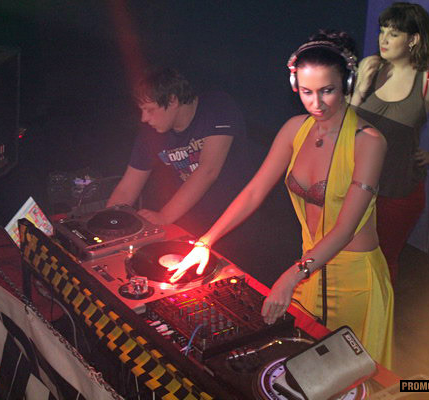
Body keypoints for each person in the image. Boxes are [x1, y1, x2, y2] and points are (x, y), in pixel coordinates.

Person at [169, 31, 394, 367]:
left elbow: (345, 229)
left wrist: (292, 275)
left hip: (353, 280)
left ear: (346, 84)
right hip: (308, 271)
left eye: (327, 91)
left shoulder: (369, 142)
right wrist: (205, 241)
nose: (316, 104)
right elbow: (254, 192)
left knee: (347, 377)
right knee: (299, 368)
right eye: (306, 92)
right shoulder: (294, 129)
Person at [107, 67, 281, 280]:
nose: (144, 118)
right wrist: (107, 228)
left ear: (172, 100)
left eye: (150, 110)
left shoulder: (217, 106)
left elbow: (208, 170)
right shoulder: (150, 134)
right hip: (191, 226)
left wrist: (164, 216)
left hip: (238, 224)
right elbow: (127, 187)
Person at [350, 2, 429, 286]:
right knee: (347, 257)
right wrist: (360, 89)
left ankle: (377, 314)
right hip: (355, 185)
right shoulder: (371, 68)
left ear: (413, 39)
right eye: (382, 30)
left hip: (397, 191)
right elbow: (342, 127)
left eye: (394, 33)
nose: (383, 39)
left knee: (382, 263)